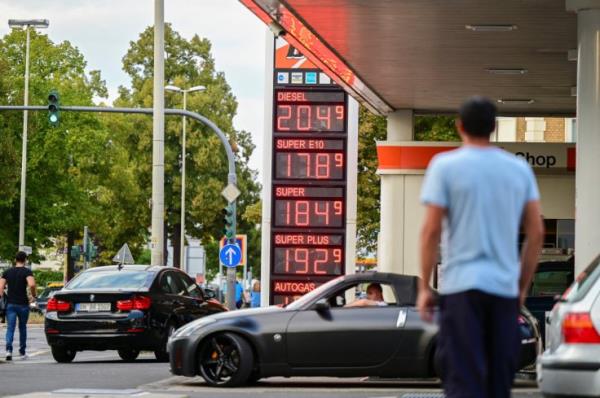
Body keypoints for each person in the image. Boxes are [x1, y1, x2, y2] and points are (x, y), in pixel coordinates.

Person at [417, 96, 544, 398]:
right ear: (494, 127)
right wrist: (521, 287)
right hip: (503, 291)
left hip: (461, 289)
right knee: (499, 381)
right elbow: (536, 233)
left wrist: (424, 286)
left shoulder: (444, 166)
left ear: (459, 126)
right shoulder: (519, 169)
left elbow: (431, 230)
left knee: (463, 380)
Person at [0, 251, 37, 361]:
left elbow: (1, 287)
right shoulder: (27, 271)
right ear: (25, 260)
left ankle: (8, 351)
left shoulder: (7, 272)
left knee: (10, 328)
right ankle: (22, 352)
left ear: (15, 260)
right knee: (22, 328)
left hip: (10, 304)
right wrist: (33, 295)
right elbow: (32, 284)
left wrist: (2, 298)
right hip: (23, 304)